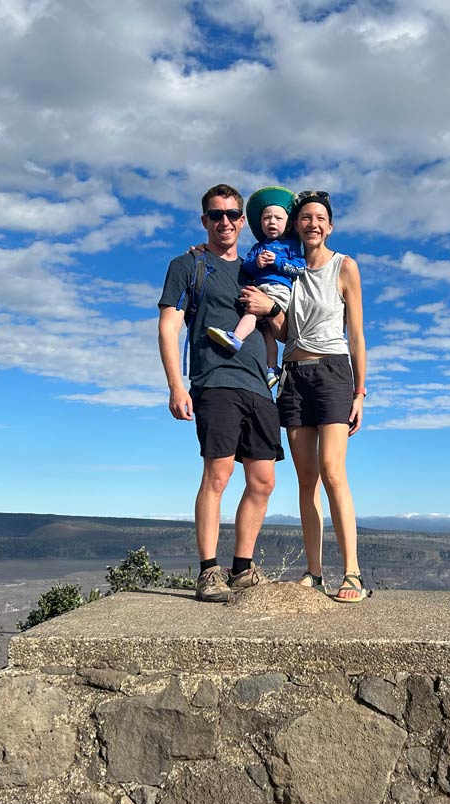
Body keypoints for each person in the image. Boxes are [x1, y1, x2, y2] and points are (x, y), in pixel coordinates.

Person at [157, 184, 284, 602]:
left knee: (263, 481)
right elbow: (170, 326)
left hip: (259, 386)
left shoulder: (256, 269)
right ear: (204, 220)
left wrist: (272, 307)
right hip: (216, 380)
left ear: (242, 220)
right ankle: (209, 571)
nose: (225, 222)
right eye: (216, 215)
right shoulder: (187, 265)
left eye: (232, 214)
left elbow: (278, 329)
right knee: (219, 473)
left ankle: (242, 569)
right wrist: (177, 383)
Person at [243, 190, 368, 602]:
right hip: (294, 375)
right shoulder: (289, 273)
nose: (313, 223)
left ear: (329, 226)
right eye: (306, 218)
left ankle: (351, 572)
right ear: (298, 226)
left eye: (320, 218)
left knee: (333, 471)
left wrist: (360, 392)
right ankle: (313, 573)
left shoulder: (343, 266)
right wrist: (267, 308)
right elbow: (282, 332)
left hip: (332, 372)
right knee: (306, 480)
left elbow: (357, 335)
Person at [206, 185, 305, 390]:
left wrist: (277, 262)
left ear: (288, 224)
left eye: (278, 218)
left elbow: (299, 268)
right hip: (260, 288)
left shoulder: (290, 246)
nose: (272, 222)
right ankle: (272, 367)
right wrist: (257, 263)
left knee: (255, 314)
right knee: (265, 331)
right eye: (267, 218)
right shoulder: (257, 247)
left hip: (278, 290)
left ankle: (236, 338)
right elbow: (247, 267)